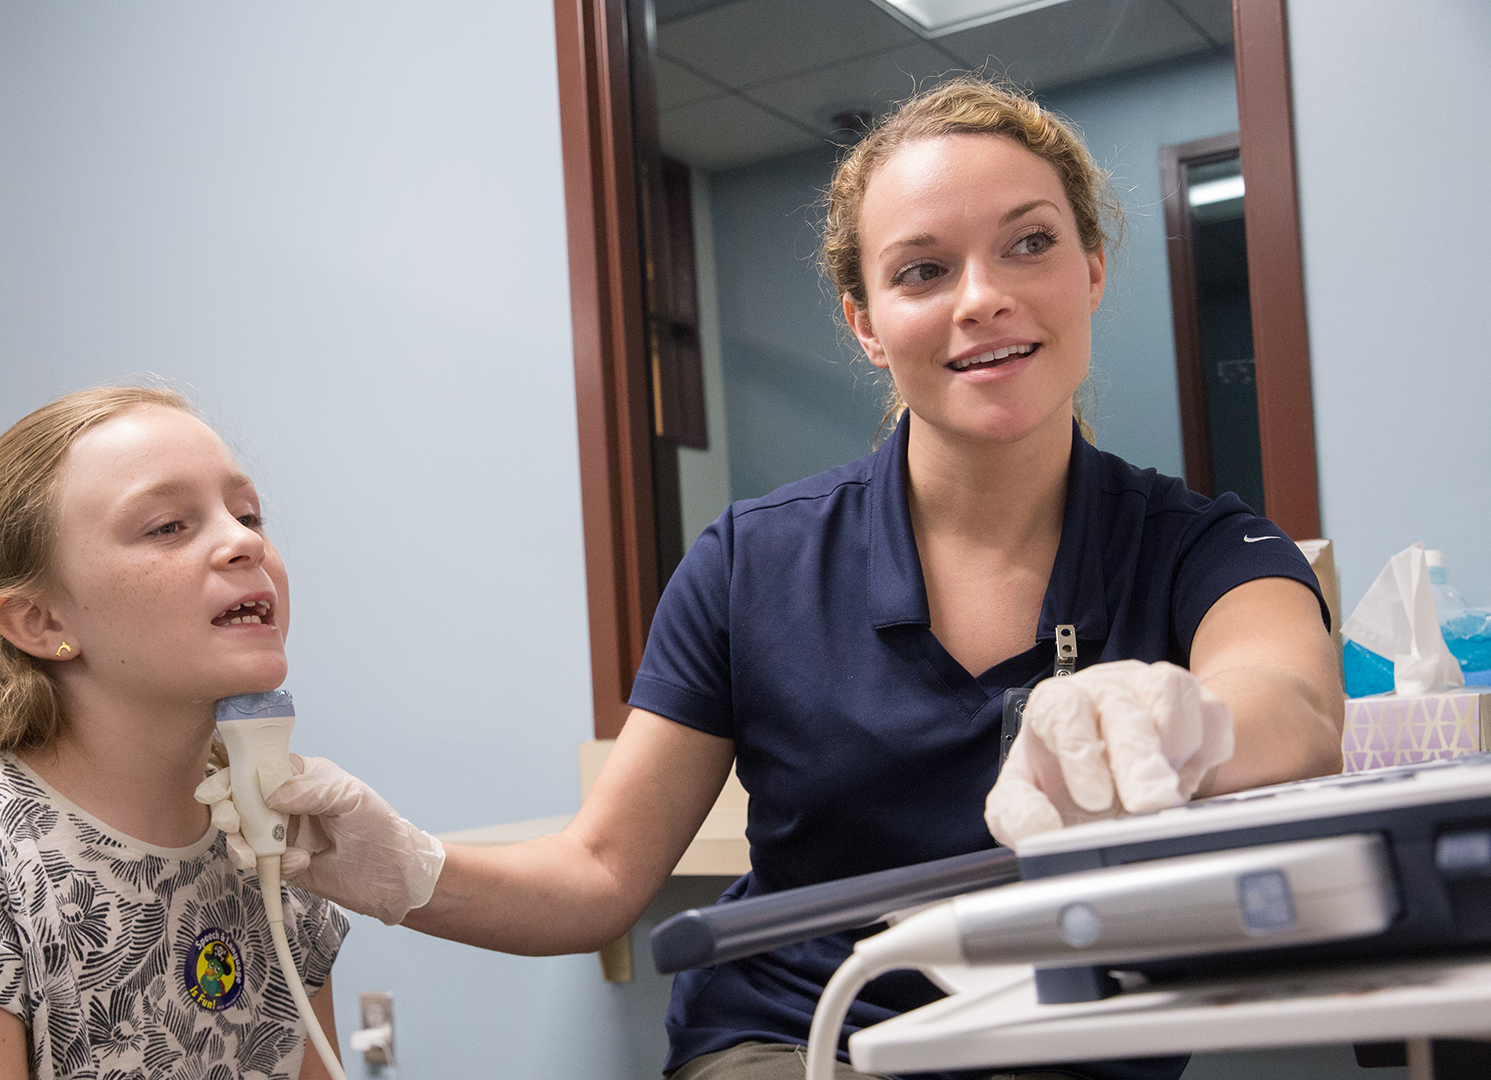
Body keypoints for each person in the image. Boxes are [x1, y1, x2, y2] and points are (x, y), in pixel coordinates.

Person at [205, 79, 1344, 1079]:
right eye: (922, 271)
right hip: (796, 1042)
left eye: (1030, 243)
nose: (980, 297)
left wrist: (1177, 721)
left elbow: (1290, 706)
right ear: (865, 323)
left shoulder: (1207, 546)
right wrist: (404, 868)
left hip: (1057, 1047)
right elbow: (603, 874)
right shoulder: (754, 562)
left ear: (1094, 270)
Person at [0, 386, 349, 1080]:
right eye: (168, 527)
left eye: (247, 514)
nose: (245, 541)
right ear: (43, 623)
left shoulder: (272, 833)